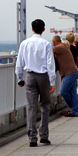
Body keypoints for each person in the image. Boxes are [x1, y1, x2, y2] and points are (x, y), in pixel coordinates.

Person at [15, 19, 56, 147]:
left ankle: (32, 137)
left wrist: (20, 78)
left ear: (32, 29)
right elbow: (50, 64)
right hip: (43, 77)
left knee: (31, 107)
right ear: (43, 29)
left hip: (30, 76)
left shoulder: (25, 43)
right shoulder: (46, 44)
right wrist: (52, 81)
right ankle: (44, 136)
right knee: (45, 105)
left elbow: (19, 63)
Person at [52, 35, 78, 117]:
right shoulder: (64, 46)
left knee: (63, 92)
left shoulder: (58, 47)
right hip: (73, 72)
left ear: (54, 42)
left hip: (69, 73)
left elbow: (47, 51)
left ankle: (74, 108)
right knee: (73, 92)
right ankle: (75, 110)